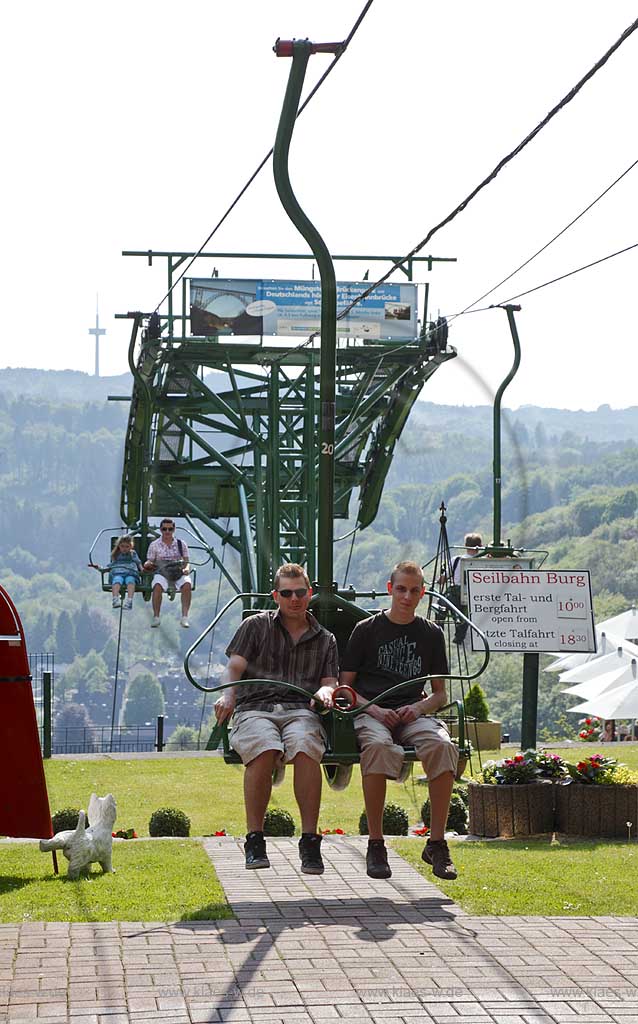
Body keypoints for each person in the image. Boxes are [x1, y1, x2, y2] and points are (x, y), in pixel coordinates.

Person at [214, 563, 338, 874]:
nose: (294, 599)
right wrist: (229, 695)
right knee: (264, 746)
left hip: (300, 709)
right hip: (256, 707)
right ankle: (255, 838)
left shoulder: (325, 639)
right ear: (276, 596)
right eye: (287, 593)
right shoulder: (255, 626)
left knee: (307, 745)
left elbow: (329, 681)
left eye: (300, 593)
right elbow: (235, 667)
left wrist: (325, 692)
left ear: (309, 594)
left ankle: (310, 840)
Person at [340, 560, 458, 882]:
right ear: (391, 589)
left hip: (410, 712)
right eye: (401, 589)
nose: (407, 596)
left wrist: (418, 710)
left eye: (414, 590)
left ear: (422, 594)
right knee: (377, 746)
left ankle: (436, 843)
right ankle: (376, 843)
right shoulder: (366, 631)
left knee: (441, 745)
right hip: (373, 711)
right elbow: (345, 687)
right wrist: (374, 709)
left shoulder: (431, 634)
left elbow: (439, 694)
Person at [143, 519, 192, 628]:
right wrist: (148, 564)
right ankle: (156, 617)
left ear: (174, 529)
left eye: (170, 529)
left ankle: (184, 617)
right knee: (157, 586)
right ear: (161, 530)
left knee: (187, 585)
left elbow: (187, 561)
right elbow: (150, 560)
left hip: (177, 571)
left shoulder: (181, 544)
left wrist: (186, 569)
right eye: (164, 529)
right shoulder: (155, 545)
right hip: (162, 571)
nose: (167, 531)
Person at [439, 532, 483, 644]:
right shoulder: (482, 562)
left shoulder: (456, 560)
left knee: (441, 605)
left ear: (466, 545)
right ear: (479, 546)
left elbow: (444, 577)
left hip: (455, 593)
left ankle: (439, 628)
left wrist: (440, 579)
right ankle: (459, 636)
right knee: (466, 614)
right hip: (472, 595)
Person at [90, 535, 143, 609]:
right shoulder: (116, 554)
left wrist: (142, 570)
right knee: (117, 580)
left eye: (127, 547)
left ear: (130, 546)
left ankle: (129, 601)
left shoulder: (132, 554)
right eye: (122, 546)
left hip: (130, 572)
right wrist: (99, 568)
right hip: (118, 572)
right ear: (119, 546)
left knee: (130, 580)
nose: (124, 549)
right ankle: (115, 600)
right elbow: (110, 566)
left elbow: (138, 562)